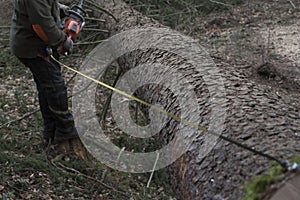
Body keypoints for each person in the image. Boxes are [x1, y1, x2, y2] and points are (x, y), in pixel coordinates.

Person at [9, 0, 83, 156]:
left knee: (47, 88)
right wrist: (63, 41)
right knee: (56, 89)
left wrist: (60, 9)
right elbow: (42, 24)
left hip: (39, 43)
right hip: (33, 46)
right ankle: (66, 132)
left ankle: (50, 133)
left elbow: (43, 7)